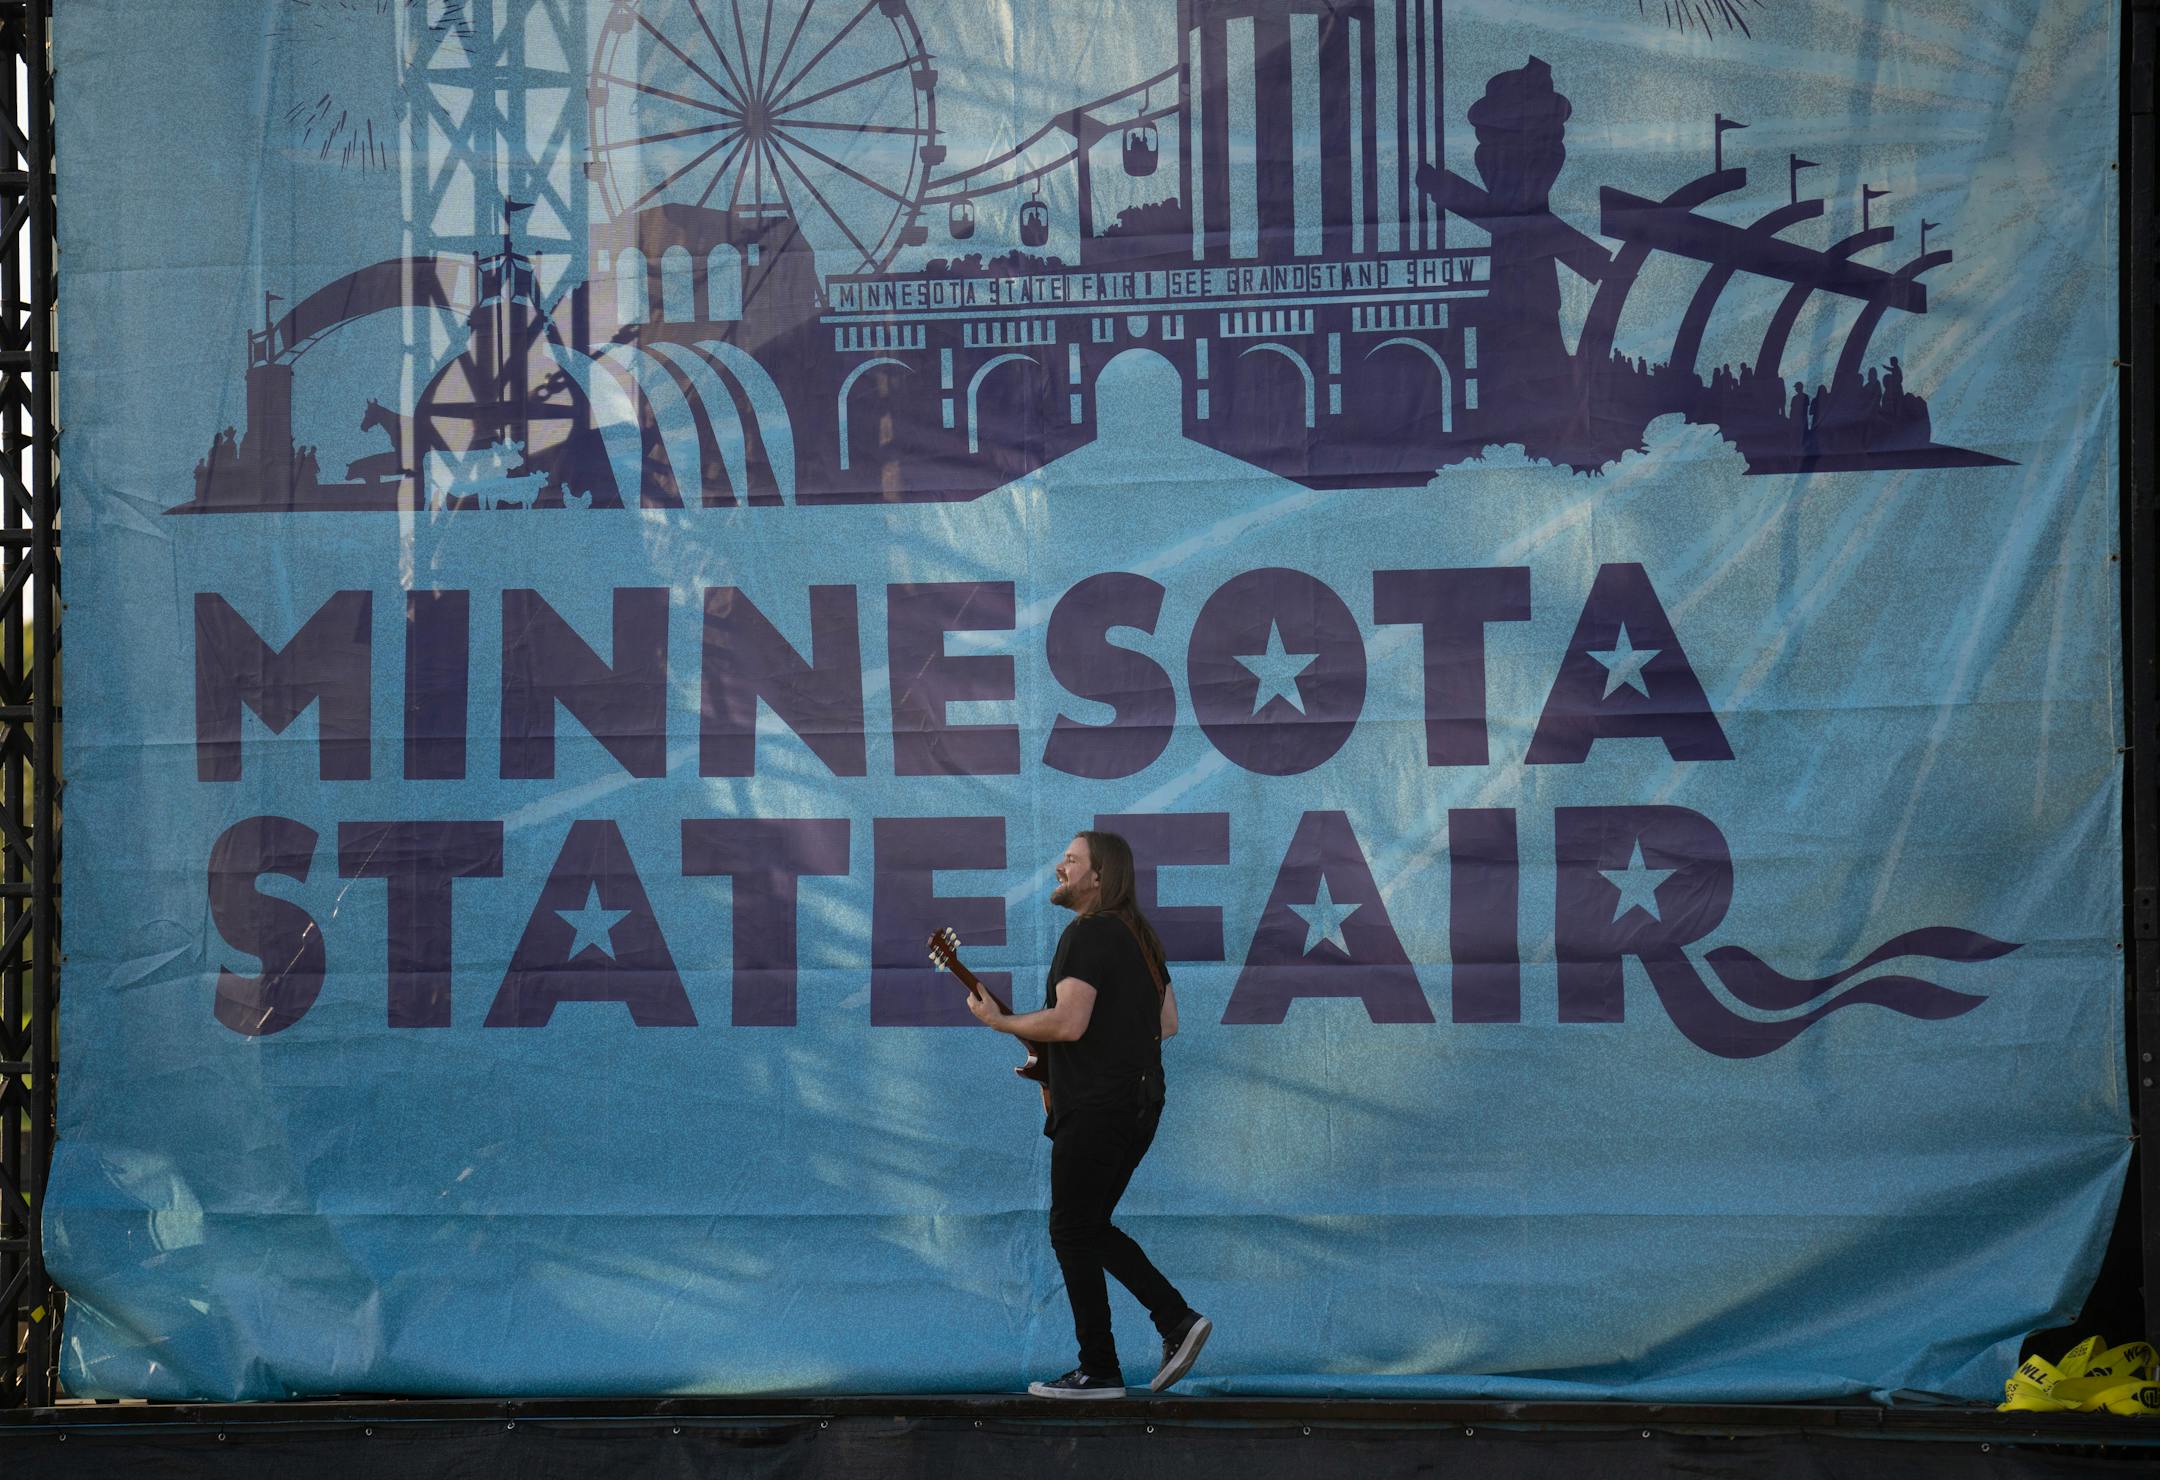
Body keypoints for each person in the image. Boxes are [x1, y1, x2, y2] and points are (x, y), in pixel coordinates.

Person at [966, 830, 1212, 1399]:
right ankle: (1165, 1326)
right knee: (1087, 1226)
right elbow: (1166, 1023)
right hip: (1140, 1107)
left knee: (1072, 1227)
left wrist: (1001, 1022)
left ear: (1099, 877)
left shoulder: (1087, 932)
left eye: (1071, 861)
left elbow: (1069, 1023)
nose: (1059, 867)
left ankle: (1107, 1364)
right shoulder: (1139, 939)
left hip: (1099, 1108)